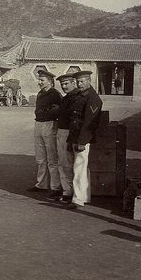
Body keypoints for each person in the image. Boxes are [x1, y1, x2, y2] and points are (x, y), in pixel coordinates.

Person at [62, 70, 103, 209]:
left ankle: (78, 199)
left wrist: (82, 141)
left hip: (82, 138)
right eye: (78, 82)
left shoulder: (93, 98)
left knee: (79, 168)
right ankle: (83, 197)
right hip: (75, 136)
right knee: (80, 168)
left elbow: (89, 123)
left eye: (82, 81)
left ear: (89, 81)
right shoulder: (81, 95)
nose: (79, 84)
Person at [28, 69, 62, 197]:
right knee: (40, 157)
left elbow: (60, 110)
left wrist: (49, 113)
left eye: (42, 80)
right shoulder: (40, 93)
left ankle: (55, 187)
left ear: (50, 81)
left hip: (49, 124)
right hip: (39, 124)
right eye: (39, 80)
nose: (40, 82)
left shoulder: (55, 94)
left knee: (52, 157)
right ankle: (41, 184)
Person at [55, 73, 81, 203]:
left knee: (67, 163)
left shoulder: (76, 97)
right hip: (62, 131)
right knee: (64, 162)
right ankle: (68, 191)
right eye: (62, 84)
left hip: (69, 133)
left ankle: (69, 193)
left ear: (73, 83)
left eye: (66, 84)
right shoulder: (66, 98)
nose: (64, 86)